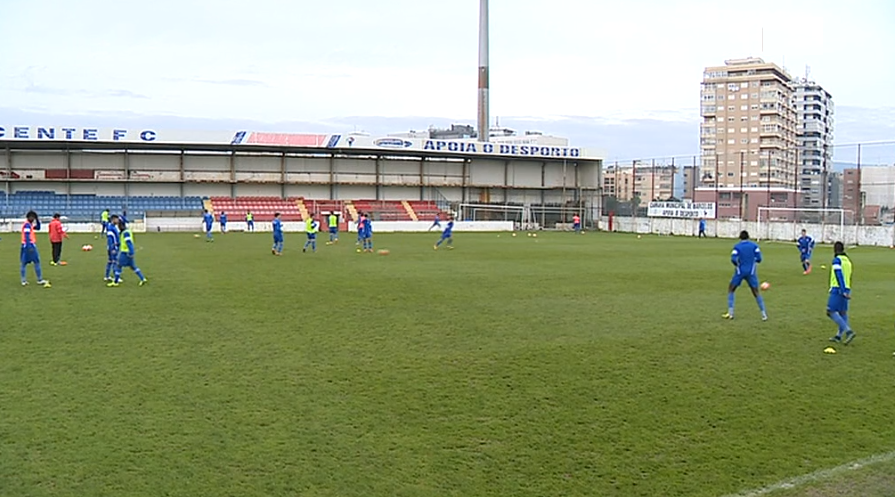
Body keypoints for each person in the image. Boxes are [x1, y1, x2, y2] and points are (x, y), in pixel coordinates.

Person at [723, 230, 768, 321]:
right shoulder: (754, 246)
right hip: (751, 272)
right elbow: (759, 259)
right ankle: (764, 314)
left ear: (740, 237)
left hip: (740, 272)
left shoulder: (737, 247)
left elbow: (733, 259)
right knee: (756, 292)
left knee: (731, 289)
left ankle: (731, 313)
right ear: (748, 237)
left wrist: (738, 265)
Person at [827, 241, 855, 344]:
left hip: (838, 289)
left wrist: (842, 290)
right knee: (842, 312)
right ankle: (838, 336)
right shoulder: (847, 261)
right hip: (847, 288)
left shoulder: (837, 261)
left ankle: (848, 331)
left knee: (830, 311)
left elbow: (839, 275)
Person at [107, 217, 147, 287]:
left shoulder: (125, 233)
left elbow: (128, 242)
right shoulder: (126, 232)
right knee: (133, 267)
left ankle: (116, 282)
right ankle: (143, 279)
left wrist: (131, 252)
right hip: (127, 252)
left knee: (118, 266)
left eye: (119, 225)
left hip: (125, 253)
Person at [20, 211, 51, 287]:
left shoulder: (29, 224)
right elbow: (27, 236)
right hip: (29, 245)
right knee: (35, 262)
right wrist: (29, 246)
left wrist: (37, 220)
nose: (33, 219)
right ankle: (39, 279)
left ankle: (24, 280)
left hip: (25, 245)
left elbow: (38, 227)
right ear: (29, 217)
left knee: (24, 263)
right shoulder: (27, 225)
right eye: (33, 217)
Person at [104, 214, 121, 282]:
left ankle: (107, 276)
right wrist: (112, 248)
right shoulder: (111, 228)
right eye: (117, 219)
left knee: (110, 261)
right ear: (113, 219)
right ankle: (116, 277)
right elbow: (110, 239)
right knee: (115, 262)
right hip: (113, 247)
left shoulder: (112, 227)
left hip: (112, 247)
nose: (118, 221)